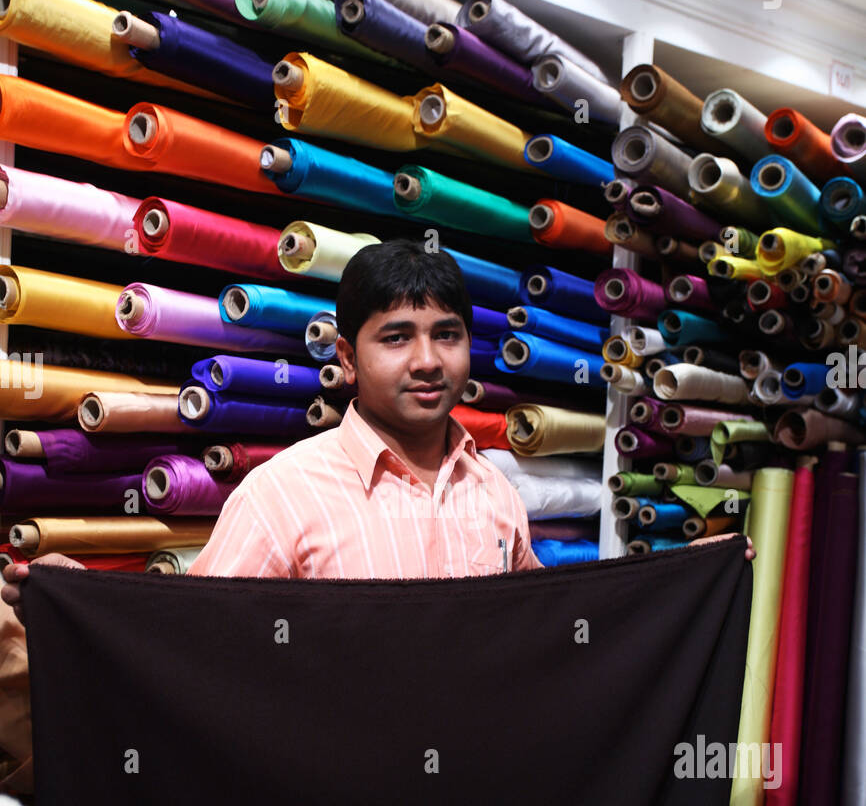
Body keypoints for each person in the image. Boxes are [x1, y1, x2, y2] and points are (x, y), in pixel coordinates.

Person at [1, 239, 753, 624]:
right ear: (346, 357)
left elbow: (546, 631)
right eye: (396, 337)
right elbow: (196, 639)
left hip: (474, 802)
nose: (427, 361)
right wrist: (90, 602)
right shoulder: (282, 495)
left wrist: (681, 576)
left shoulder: (494, 490)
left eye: (447, 335)